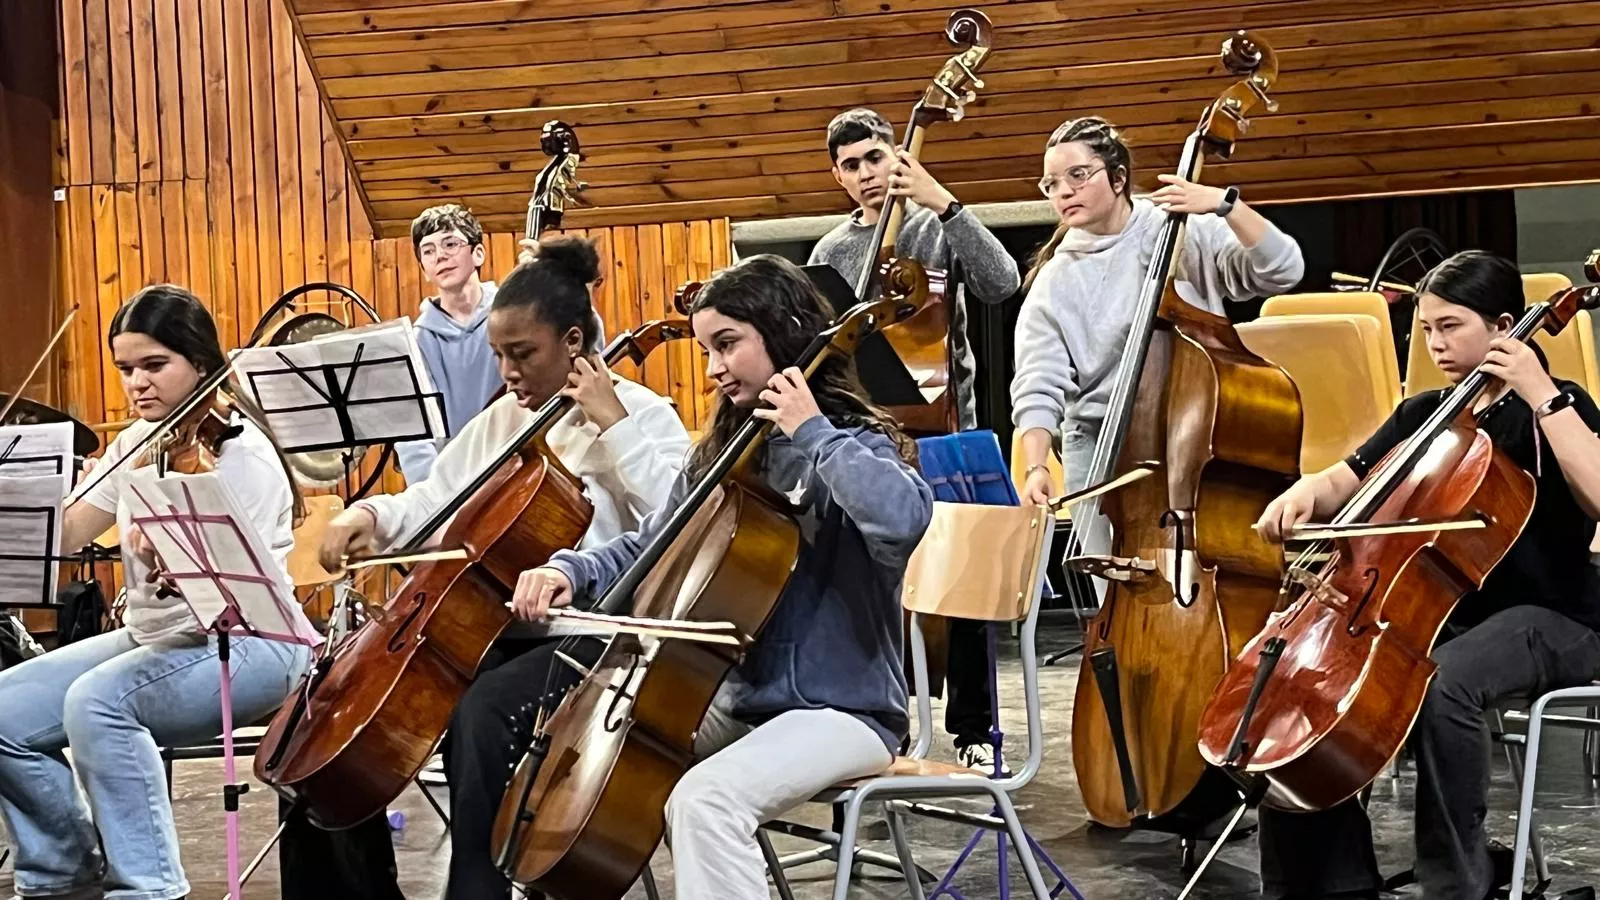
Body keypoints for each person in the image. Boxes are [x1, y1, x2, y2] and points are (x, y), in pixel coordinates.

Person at [276, 236, 691, 900]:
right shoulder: (503, 421)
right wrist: (370, 518)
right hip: (492, 630)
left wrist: (613, 426)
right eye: (499, 355)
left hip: (596, 633)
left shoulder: (645, 417)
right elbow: (435, 498)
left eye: (522, 354)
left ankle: (476, 890)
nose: (508, 372)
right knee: (332, 716)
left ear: (574, 341)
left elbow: (679, 518)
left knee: (482, 711)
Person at [512, 254, 934, 900]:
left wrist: (814, 433)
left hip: (843, 709)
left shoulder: (853, 442)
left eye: (728, 344)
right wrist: (571, 568)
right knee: (575, 778)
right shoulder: (727, 454)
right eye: (708, 348)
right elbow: (655, 541)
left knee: (705, 800)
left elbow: (902, 520)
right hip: (742, 700)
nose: (712, 369)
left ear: (783, 332)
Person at [1252, 250, 1600, 900]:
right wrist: (1302, 495)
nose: (1434, 342)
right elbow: (1343, 480)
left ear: (1503, 326)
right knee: (1324, 680)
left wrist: (1541, 393)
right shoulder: (1426, 414)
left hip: (1557, 616)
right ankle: (1331, 882)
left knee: (1445, 684)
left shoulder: (1558, 405)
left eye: (1451, 326)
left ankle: (1456, 885)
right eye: (1426, 328)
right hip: (1453, 612)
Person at [0, 285, 310, 900]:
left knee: (97, 702)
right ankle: (62, 871)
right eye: (125, 370)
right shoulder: (137, 444)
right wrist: (19, 498)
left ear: (199, 361)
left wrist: (174, 550)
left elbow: (220, 596)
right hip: (157, 639)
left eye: (154, 365)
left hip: (255, 643)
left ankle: (149, 888)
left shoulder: (241, 453)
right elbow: (65, 533)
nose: (138, 383)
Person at [808, 106, 1020, 769]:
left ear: (896, 155)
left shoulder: (933, 225)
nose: (867, 174)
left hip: (947, 429)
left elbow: (1001, 282)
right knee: (878, 592)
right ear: (837, 176)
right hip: (874, 437)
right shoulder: (831, 252)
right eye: (852, 165)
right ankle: (885, 729)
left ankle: (977, 733)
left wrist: (946, 204)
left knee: (969, 592)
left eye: (876, 158)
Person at [397, 204, 505, 483]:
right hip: (454, 482)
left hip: (520, 462)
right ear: (424, 270)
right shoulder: (418, 340)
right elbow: (413, 434)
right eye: (428, 251)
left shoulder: (513, 316)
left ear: (478, 253)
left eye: (450, 243)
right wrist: (432, 497)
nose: (440, 256)